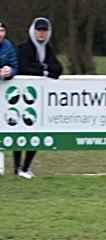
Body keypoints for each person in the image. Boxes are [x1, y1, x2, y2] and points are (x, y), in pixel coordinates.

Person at [14, 17, 63, 179]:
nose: (41, 33)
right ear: (32, 30)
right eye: (39, 30)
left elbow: (58, 69)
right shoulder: (23, 47)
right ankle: (17, 167)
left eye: (44, 30)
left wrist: (41, 68)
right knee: (20, 130)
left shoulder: (48, 49)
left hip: (39, 98)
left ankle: (26, 167)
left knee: (36, 131)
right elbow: (22, 68)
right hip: (22, 96)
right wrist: (45, 71)